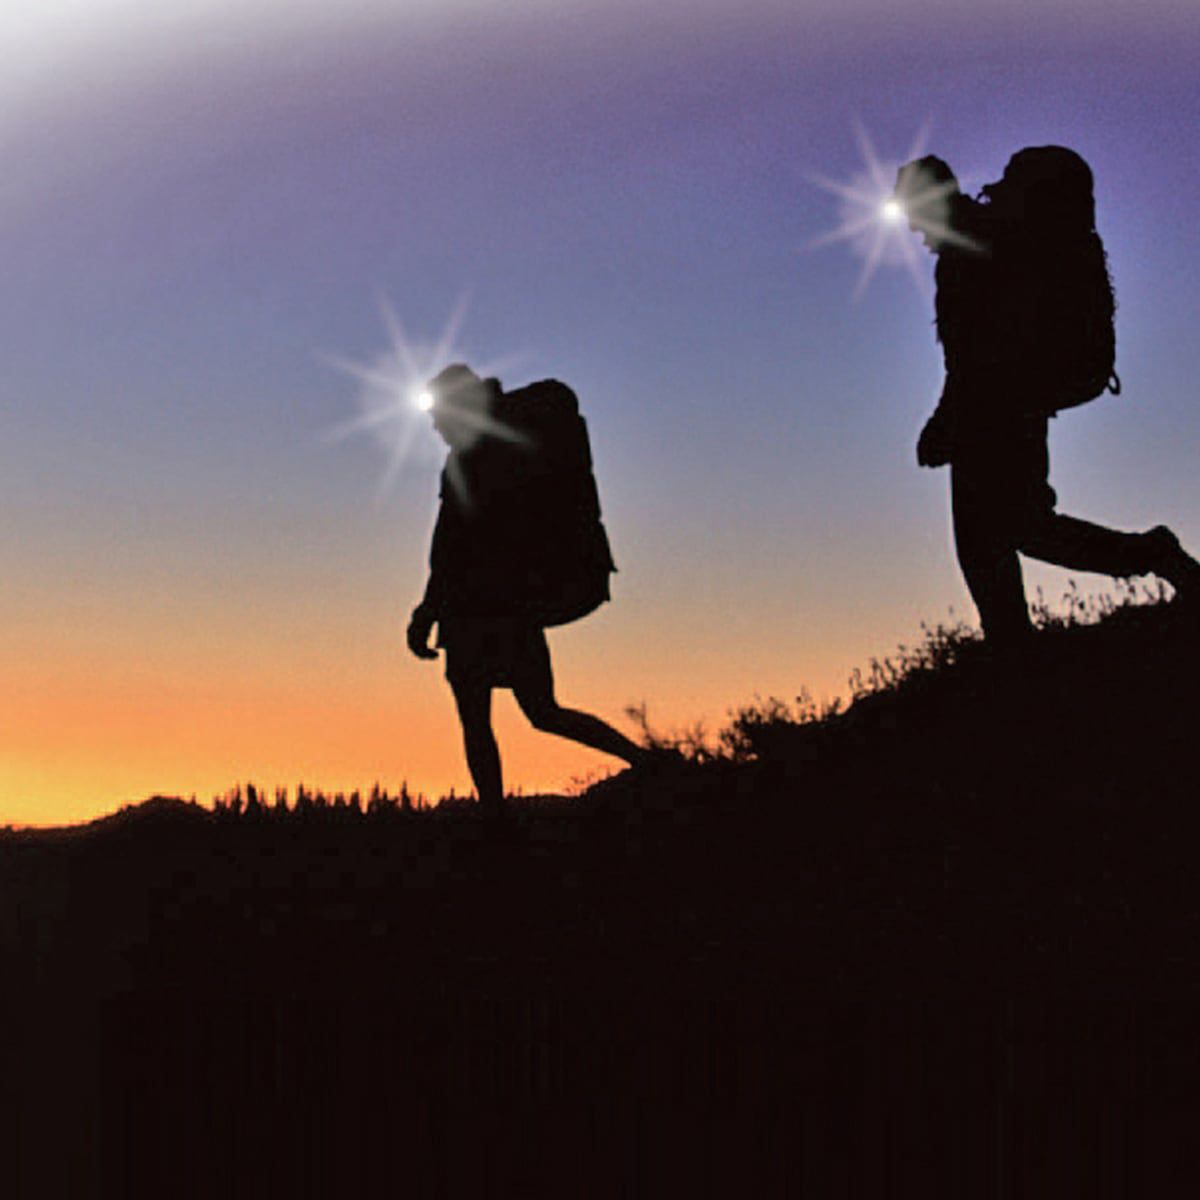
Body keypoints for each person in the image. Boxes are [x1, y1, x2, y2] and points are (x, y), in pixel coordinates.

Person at [895, 147, 1200, 643]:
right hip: (1011, 398)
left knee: (996, 531)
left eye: (912, 211)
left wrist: (949, 418)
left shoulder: (972, 248)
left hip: (1000, 402)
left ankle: (1017, 641)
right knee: (1018, 527)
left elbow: (977, 352)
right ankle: (1018, 639)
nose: (912, 227)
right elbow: (973, 353)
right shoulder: (986, 238)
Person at [407, 364, 648, 819]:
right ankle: (649, 762)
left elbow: (450, 545)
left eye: (437, 414)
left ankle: (494, 823)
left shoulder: (468, 459)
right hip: (514, 603)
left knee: (478, 719)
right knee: (543, 712)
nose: (436, 425)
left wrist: (427, 612)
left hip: (474, 607)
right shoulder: (508, 446)